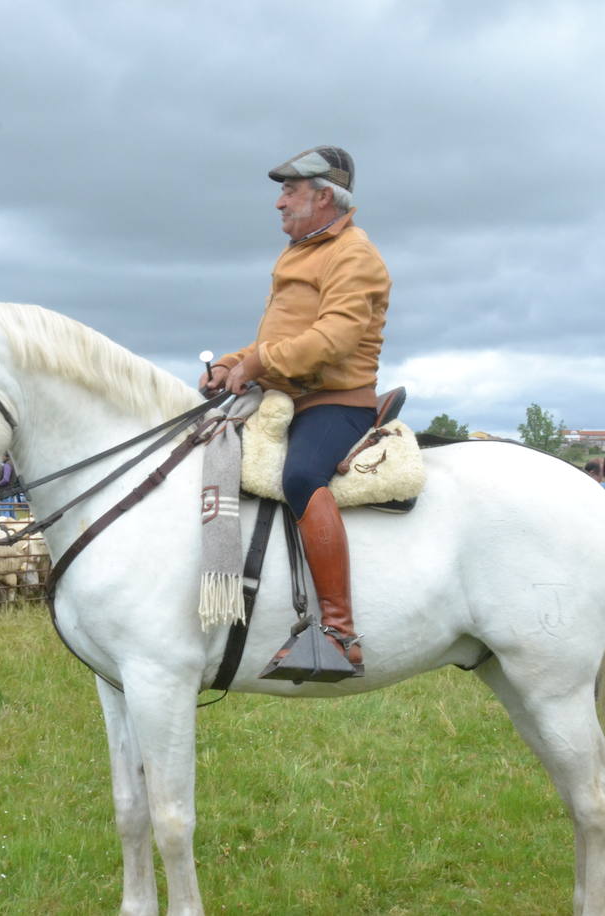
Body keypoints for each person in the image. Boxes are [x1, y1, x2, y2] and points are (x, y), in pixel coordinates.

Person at [200, 145, 389, 680]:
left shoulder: (355, 255)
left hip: (335, 401)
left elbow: (334, 338)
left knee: (302, 475)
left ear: (324, 196)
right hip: (288, 394)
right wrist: (236, 362)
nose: (279, 204)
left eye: (289, 191)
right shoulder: (301, 251)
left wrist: (258, 360)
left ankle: (338, 633)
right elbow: (280, 339)